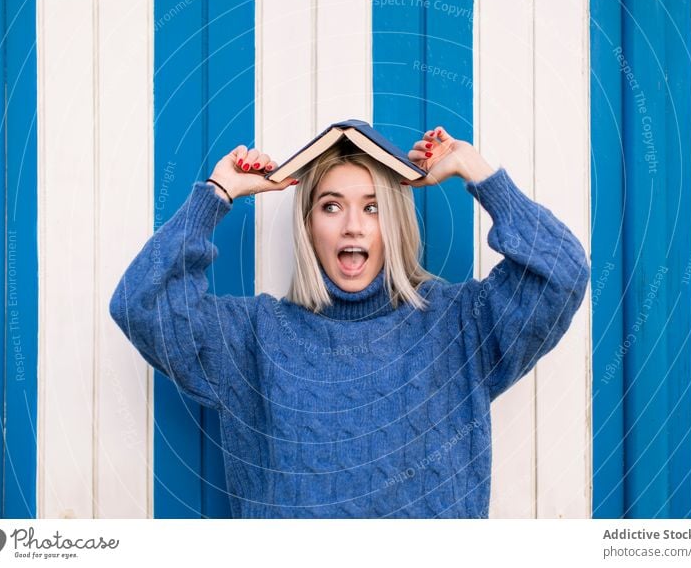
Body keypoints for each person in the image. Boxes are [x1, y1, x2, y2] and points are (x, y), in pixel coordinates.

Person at [109, 125, 590, 518]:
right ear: (308, 225)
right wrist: (215, 195)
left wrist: (476, 171)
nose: (353, 226)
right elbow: (140, 302)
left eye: (373, 207)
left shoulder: (458, 326)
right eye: (331, 206)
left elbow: (561, 273)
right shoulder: (252, 339)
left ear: (395, 222)